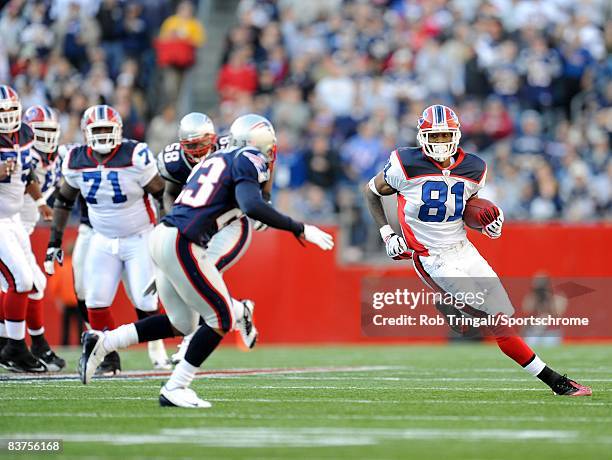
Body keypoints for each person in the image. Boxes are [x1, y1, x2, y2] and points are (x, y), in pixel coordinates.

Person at [78, 114, 334, 408]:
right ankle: (177, 386)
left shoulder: (217, 159)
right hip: (184, 240)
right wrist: (299, 227)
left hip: (163, 235)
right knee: (221, 318)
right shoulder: (248, 157)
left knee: (182, 322)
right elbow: (251, 205)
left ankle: (104, 341)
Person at [363, 104, 591, 397]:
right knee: (494, 320)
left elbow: (470, 209)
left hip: (463, 249)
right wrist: (387, 233)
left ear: (456, 136)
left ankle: (460, 308)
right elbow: (370, 191)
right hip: (432, 257)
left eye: (446, 136)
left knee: (503, 316)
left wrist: (488, 225)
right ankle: (555, 382)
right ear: (421, 137)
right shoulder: (404, 163)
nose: (441, 143)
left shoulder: (474, 167)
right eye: (435, 136)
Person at [44, 104, 171, 375]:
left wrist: (169, 227)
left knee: (146, 302)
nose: (102, 135)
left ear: (119, 131)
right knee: (95, 300)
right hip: (102, 237)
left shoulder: (134, 155)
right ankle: (109, 357)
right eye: (97, 130)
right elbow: (64, 201)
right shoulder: (76, 159)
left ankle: (156, 345)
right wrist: (55, 240)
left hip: (139, 236)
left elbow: (161, 194)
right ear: (85, 133)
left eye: (107, 129)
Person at [157, 112, 262, 363]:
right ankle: (240, 311)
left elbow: (253, 183)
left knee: (198, 275)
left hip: (230, 223)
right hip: (196, 225)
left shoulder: (232, 150)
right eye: (191, 146)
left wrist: (259, 208)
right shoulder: (174, 162)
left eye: (203, 144)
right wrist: (176, 221)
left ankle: (189, 341)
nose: (198, 150)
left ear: (214, 139)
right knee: (191, 277)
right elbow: (169, 194)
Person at [0, 85, 50, 372]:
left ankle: (7, 343)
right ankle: (16, 349)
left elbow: (28, 172)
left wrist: (40, 199)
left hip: (14, 218)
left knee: (28, 282)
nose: (7, 117)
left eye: (10, 110)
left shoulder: (26, 134)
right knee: (19, 280)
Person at [16, 105, 67, 371]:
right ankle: (27, 345)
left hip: (22, 228)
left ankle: (33, 345)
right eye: (41, 130)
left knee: (33, 285)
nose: (46, 137)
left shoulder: (59, 158)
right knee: (28, 283)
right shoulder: (21, 152)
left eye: (51, 130)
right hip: (9, 225)